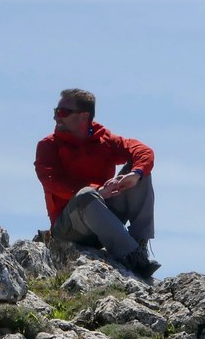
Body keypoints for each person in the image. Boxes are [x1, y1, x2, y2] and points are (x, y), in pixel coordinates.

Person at [34, 88, 160, 277]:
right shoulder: (48, 146)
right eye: (56, 112)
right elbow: (52, 182)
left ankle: (139, 244)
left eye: (62, 112)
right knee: (86, 194)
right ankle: (132, 256)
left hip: (103, 220)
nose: (56, 118)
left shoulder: (104, 140)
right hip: (69, 228)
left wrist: (135, 173)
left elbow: (142, 150)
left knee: (142, 172)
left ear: (84, 116)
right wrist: (98, 192)